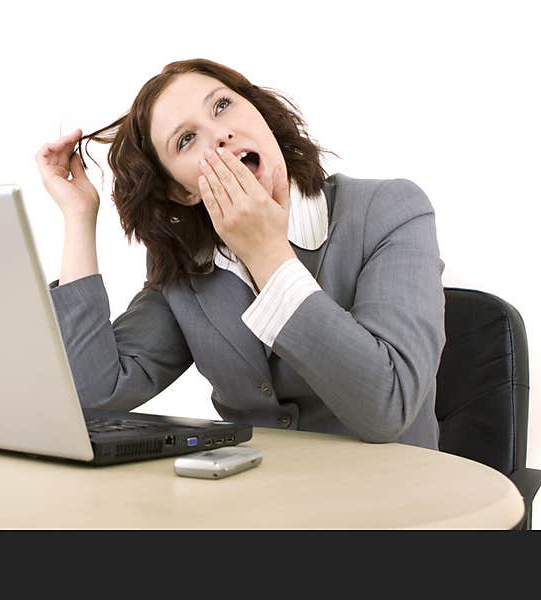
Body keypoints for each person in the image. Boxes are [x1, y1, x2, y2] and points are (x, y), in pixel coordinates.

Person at [34, 58, 445, 449]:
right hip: (257, 509)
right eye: (187, 139)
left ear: (258, 112)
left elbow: (389, 407)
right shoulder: (190, 265)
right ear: (183, 190)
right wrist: (78, 217)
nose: (219, 134)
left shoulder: (389, 209)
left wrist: (267, 253)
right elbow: (94, 394)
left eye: (223, 105)